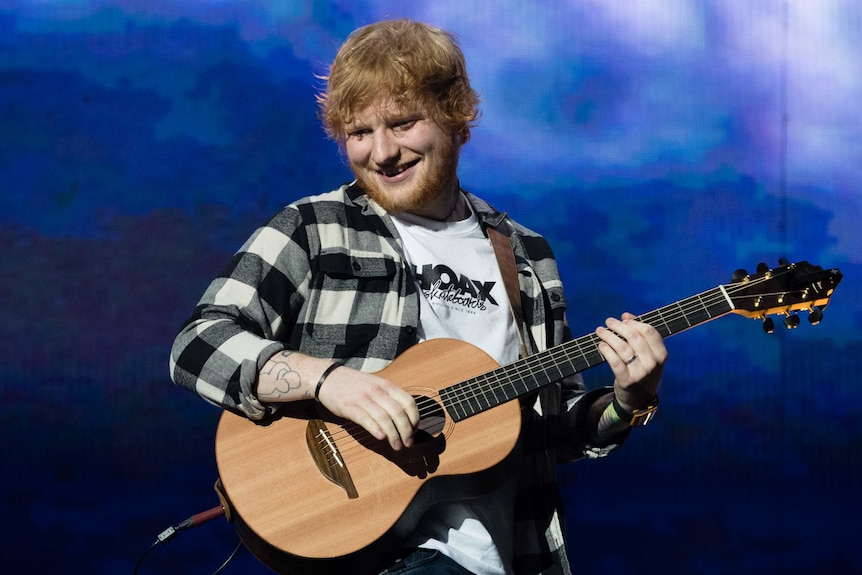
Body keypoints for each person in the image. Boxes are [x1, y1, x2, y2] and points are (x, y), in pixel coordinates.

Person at [170, 18, 666, 575]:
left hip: (509, 555)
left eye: (403, 123)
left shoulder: (526, 255)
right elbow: (197, 344)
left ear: (457, 119)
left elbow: (557, 427)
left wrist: (629, 401)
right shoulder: (313, 228)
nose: (382, 153)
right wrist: (327, 380)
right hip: (379, 556)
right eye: (359, 132)